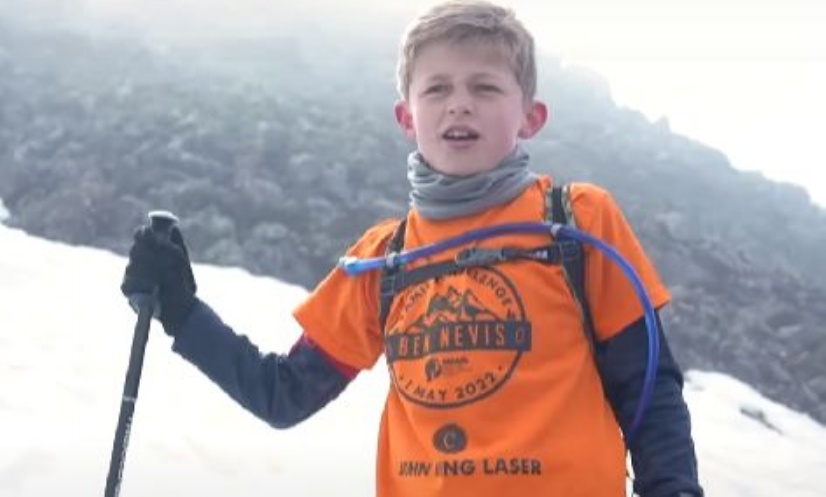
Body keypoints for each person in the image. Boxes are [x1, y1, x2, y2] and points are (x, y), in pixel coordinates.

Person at [120, 1, 703, 496]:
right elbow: (284, 394)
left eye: (485, 86)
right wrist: (181, 311)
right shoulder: (384, 258)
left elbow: (648, 389)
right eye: (437, 88)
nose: (459, 103)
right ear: (407, 116)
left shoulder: (577, 221)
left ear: (531, 117)